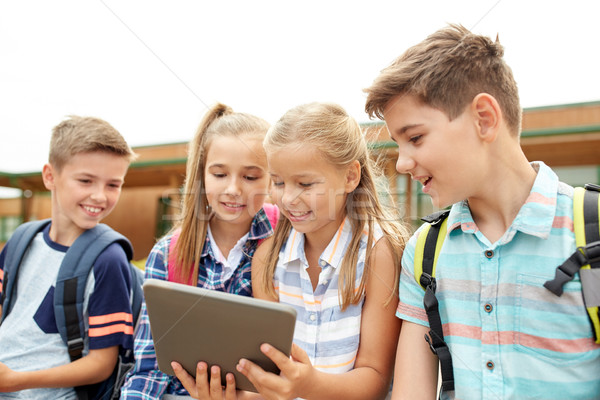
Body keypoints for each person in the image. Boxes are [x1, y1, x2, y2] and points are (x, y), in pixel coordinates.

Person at [363, 23, 600, 400]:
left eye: (416, 138)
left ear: (484, 118)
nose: (403, 163)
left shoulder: (594, 232)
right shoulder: (424, 251)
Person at [173, 102, 410, 400]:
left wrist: (309, 385)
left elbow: (375, 380)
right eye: (278, 182)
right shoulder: (267, 259)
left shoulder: (377, 252)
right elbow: (275, 383)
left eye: (305, 183)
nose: (288, 198)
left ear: (350, 177)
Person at [120, 103, 277, 399]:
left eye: (250, 177)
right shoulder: (167, 254)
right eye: (219, 174)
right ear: (202, 175)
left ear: (272, 178)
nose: (233, 189)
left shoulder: (287, 245)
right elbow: (148, 367)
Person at [0, 116, 137, 399]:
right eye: (85, 181)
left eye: (113, 185)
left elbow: (101, 365)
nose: (100, 196)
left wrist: (14, 381)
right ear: (50, 176)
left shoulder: (108, 260)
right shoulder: (20, 242)